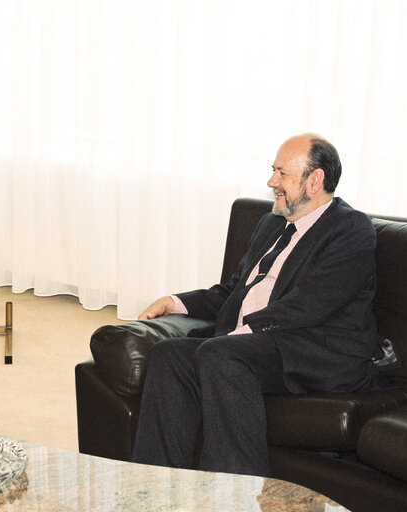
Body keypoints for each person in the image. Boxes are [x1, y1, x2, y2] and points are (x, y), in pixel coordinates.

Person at [131, 133, 381, 477]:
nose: (271, 182)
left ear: (315, 180)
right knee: (169, 355)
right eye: (272, 171)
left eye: (282, 173)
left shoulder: (350, 229)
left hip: (314, 350)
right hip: (259, 345)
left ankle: (237, 496)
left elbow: (310, 305)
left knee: (220, 354)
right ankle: (157, 486)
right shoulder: (270, 224)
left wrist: (237, 335)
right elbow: (234, 292)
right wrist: (175, 302)